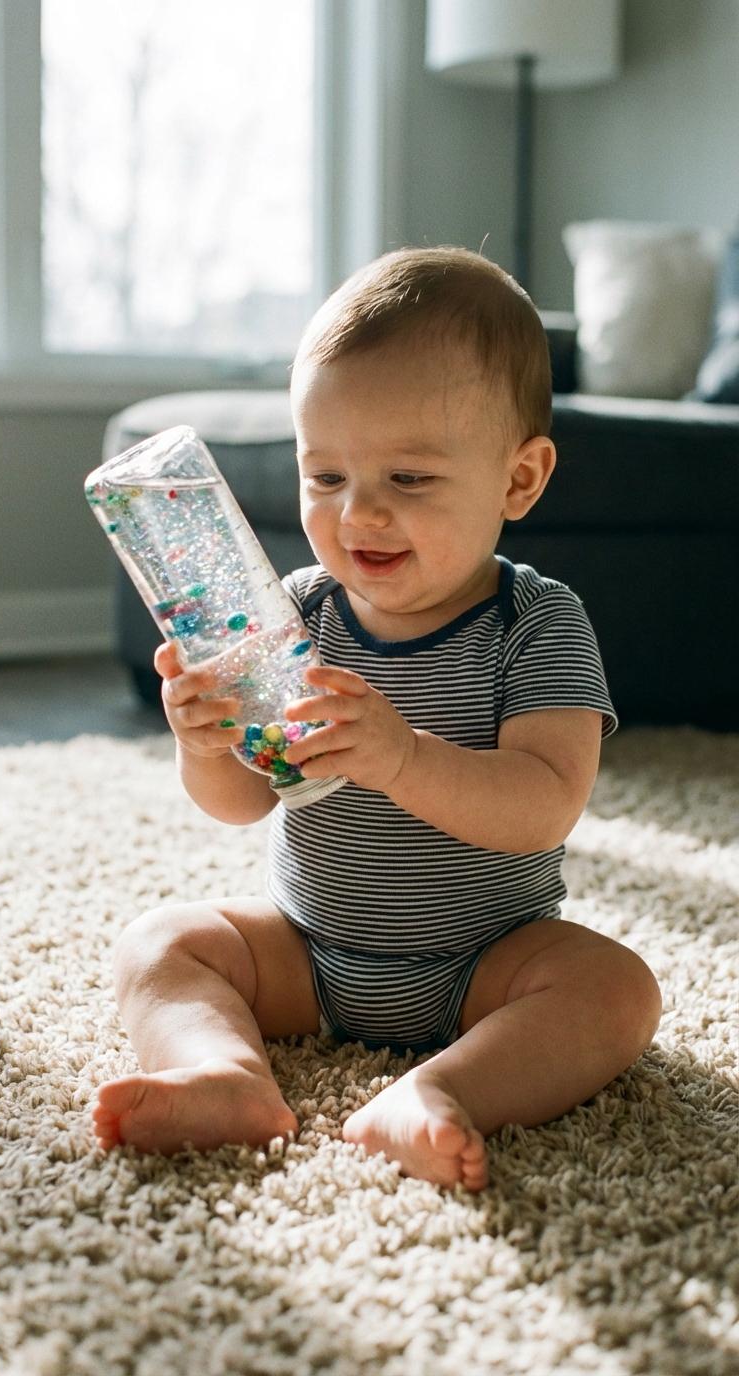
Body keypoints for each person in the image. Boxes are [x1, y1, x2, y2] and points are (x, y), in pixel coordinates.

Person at [92, 247, 662, 1190]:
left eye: (410, 480)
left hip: (488, 961)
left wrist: (404, 757)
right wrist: (203, 743)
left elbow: (546, 805)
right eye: (327, 478)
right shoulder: (290, 615)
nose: (360, 514)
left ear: (518, 482)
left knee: (616, 991)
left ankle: (444, 1090)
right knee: (161, 943)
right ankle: (225, 1074)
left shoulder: (538, 621)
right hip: (306, 950)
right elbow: (242, 800)